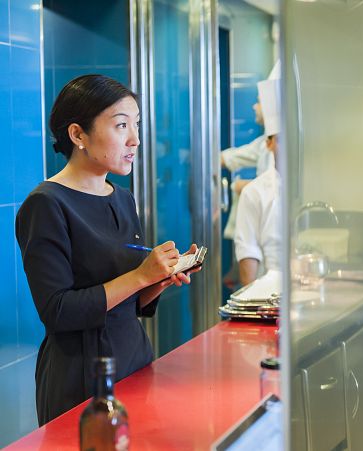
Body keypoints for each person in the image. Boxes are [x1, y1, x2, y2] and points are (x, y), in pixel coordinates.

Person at [15, 75, 200, 425]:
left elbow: (126, 305)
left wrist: (156, 280)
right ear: (77, 135)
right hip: (81, 381)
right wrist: (140, 275)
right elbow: (57, 311)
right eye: (121, 126)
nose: (136, 139)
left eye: (136, 125)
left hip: (134, 363)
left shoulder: (123, 198)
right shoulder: (46, 205)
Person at [235, 78, 282, 285]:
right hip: (269, 294)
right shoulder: (255, 192)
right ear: (269, 143)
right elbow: (248, 251)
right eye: (282, 139)